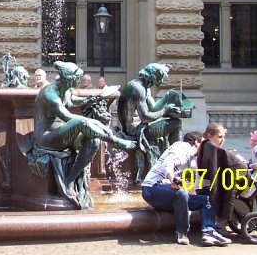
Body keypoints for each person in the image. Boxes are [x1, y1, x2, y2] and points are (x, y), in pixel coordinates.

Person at [29, 61, 135, 209]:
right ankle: (115, 141)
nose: (78, 82)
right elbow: (68, 117)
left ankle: (70, 180)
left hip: (62, 134)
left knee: (94, 142)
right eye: (76, 79)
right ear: (68, 79)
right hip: (47, 138)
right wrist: (96, 127)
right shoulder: (50, 95)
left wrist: (87, 100)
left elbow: (71, 100)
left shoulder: (65, 88)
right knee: (81, 122)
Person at [141, 131, 230, 247]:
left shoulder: (191, 157)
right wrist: (172, 179)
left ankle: (208, 232)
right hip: (152, 188)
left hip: (169, 193)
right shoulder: (183, 148)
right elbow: (168, 163)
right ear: (197, 143)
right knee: (181, 193)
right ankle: (182, 232)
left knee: (206, 200)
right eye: (203, 144)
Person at [197, 123, 243, 236]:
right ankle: (219, 224)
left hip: (204, 186)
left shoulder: (207, 146)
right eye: (219, 137)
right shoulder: (211, 148)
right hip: (205, 188)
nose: (223, 140)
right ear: (209, 135)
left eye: (223, 137)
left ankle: (223, 222)